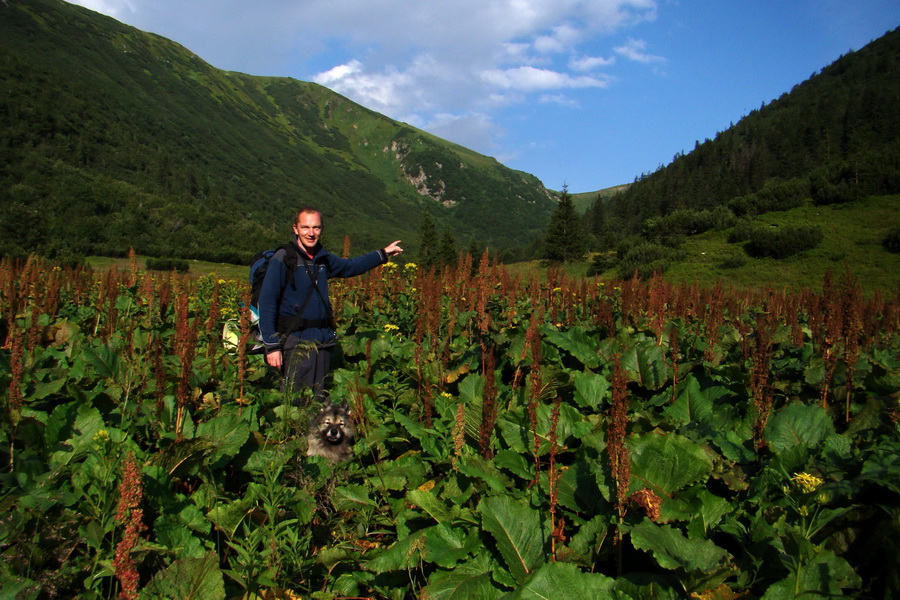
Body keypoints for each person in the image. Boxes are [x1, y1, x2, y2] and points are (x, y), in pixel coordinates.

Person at [257, 207, 402, 403]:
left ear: (322, 229)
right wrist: (272, 346)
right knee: (296, 401)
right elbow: (267, 302)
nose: (311, 233)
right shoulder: (284, 259)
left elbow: (350, 266)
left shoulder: (322, 259)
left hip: (322, 340)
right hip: (295, 340)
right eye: (305, 227)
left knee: (318, 398)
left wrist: (383, 253)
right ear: (295, 229)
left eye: (316, 228)